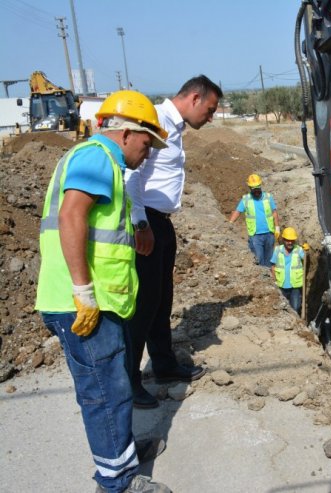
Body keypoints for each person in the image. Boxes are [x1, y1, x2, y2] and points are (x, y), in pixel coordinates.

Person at [35, 90, 171, 492]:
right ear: (127, 133)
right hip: (81, 303)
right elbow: (72, 214)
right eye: (147, 143)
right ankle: (118, 482)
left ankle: (122, 453)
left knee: (113, 383)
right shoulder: (96, 157)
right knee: (105, 394)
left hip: (98, 302)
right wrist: (84, 291)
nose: (148, 153)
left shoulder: (106, 164)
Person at [124, 75, 223, 409]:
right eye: (209, 110)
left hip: (161, 223)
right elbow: (132, 174)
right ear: (194, 98)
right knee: (143, 305)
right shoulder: (153, 120)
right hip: (146, 221)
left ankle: (164, 365)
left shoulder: (176, 128)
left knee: (161, 300)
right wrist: (140, 223)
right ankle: (130, 381)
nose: (210, 118)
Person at [228, 173, 280, 266]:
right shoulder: (246, 199)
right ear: (249, 187)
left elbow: (274, 212)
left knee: (269, 260)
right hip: (255, 235)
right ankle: (261, 278)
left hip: (269, 233)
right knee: (258, 259)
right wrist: (230, 223)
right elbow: (237, 211)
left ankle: (267, 279)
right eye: (253, 189)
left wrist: (277, 227)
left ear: (260, 186)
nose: (256, 191)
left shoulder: (268, 197)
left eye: (257, 188)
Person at [270, 227, 305, 315]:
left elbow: (306, 260)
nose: (290, 242)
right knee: (282, 310)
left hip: (295, 286)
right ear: (283, 239)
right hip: (281, 285)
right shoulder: (277, 250)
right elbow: (273, 266)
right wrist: (274, 280)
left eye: (292, 240)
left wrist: (306, 251)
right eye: (287, 240)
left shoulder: (299, 250)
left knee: (295, 308)